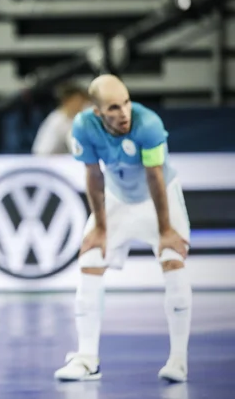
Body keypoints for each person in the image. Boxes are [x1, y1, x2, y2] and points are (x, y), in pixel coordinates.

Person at [54, 75, 191, 383]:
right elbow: (93, 175)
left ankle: (178, 360)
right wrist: (101, 226)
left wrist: (165, 229)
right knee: (90, 259)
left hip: (160, 195)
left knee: (173, 260)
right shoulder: (82, 127)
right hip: (117, 197)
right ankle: (87, 359)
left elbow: (154, 177)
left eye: (127, 103)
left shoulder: (150, 125)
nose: (124, 113)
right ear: (98, 111)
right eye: (114, 108)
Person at [32, 82, 91, 155]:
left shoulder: (83, 115)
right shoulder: (56, 121)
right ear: (66, 101)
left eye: (82, 101)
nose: (79, 105)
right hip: (54, 160)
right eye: (76, 101)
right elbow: (42, 151)